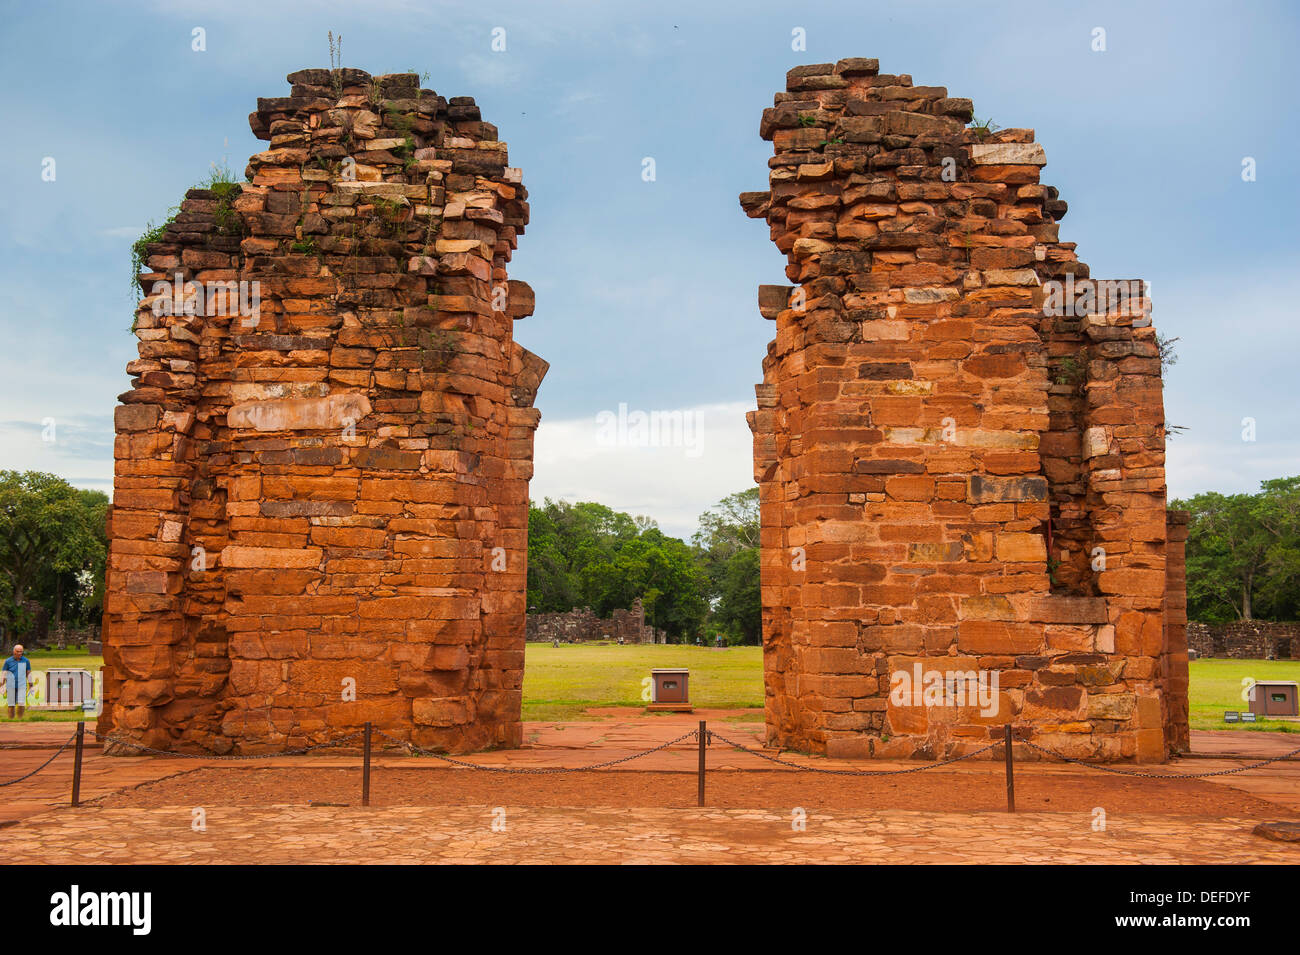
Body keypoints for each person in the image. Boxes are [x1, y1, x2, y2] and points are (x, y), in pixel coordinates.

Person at [4, 645, 33, 719]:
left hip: (22, 685)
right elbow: (4, 673)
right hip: (10, 686)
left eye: (21, 651)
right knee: (11, 704)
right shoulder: (8, 661)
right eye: (18, 651)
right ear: (14, 651)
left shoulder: (26, 661)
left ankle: (20, 719)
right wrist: (1, 685)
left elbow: (28, 673)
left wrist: (31, 685)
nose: (20, 653)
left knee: (21, 703)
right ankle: (11, 719)